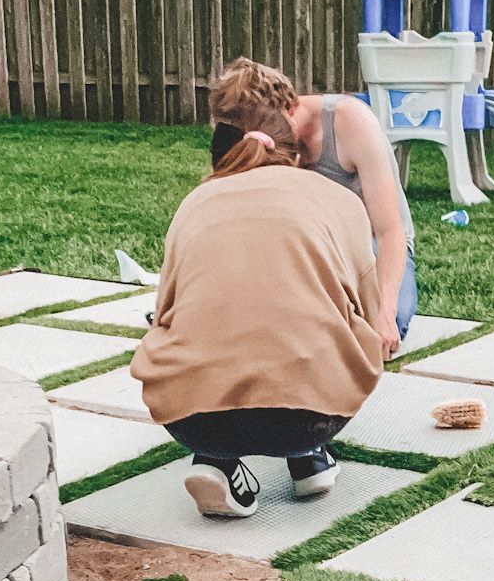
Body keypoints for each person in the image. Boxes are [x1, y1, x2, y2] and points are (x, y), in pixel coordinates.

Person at [131, 107, 383, 520]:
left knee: (182, 335)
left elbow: (164, 311)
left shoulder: (193, 203)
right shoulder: (340, 200)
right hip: (312, 414)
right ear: (297, 156)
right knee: (334, 332)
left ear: (221, 158)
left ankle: (216, 459)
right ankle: (310, 456)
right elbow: (369, 311)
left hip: (193, 417)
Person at [206, 58, 415, 358]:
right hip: (307, 251)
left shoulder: (350, 122)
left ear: (289, 108)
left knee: (374, 331)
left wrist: (384, 311)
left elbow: (390, 231)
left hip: (368, 251)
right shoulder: (255, 142)